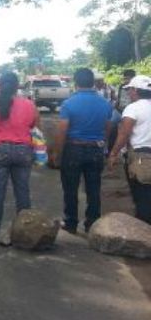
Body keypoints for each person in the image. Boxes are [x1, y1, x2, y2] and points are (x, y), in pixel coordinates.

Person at [53, 68, 112, 234]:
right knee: (94, 188)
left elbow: (62, 131)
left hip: (73, 149)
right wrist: (102, 145)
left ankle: (71, 222)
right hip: (96, 149)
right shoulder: (105, 103)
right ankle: (92, 223)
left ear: (75, 82)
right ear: (93, 82)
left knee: (70, 188)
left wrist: (57, 154)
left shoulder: (69, 103)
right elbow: (107, 128)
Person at [0, 72, 39, 236]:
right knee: (22, 190)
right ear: (17, 85)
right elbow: (35, 129)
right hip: (23, 151)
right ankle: (25, 228)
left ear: (0, 85)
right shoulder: (30, 105)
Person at [108, 75, 151, 224]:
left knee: (142, 196)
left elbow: (124, 134)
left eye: (130, 90)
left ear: (135, 90)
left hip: (141, 157)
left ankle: (144, 232)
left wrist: (113, 153)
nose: (128, 93)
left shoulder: (133, 108)